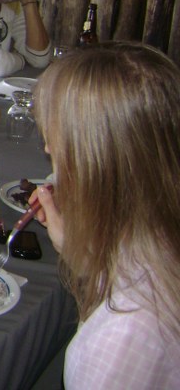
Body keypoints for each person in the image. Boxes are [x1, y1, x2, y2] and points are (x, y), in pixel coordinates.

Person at [31, 42, 180, 389]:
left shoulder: (123, 336)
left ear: (94, 167)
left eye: (55, 141)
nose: (47, 149)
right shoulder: (160, 239)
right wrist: (84, 256)